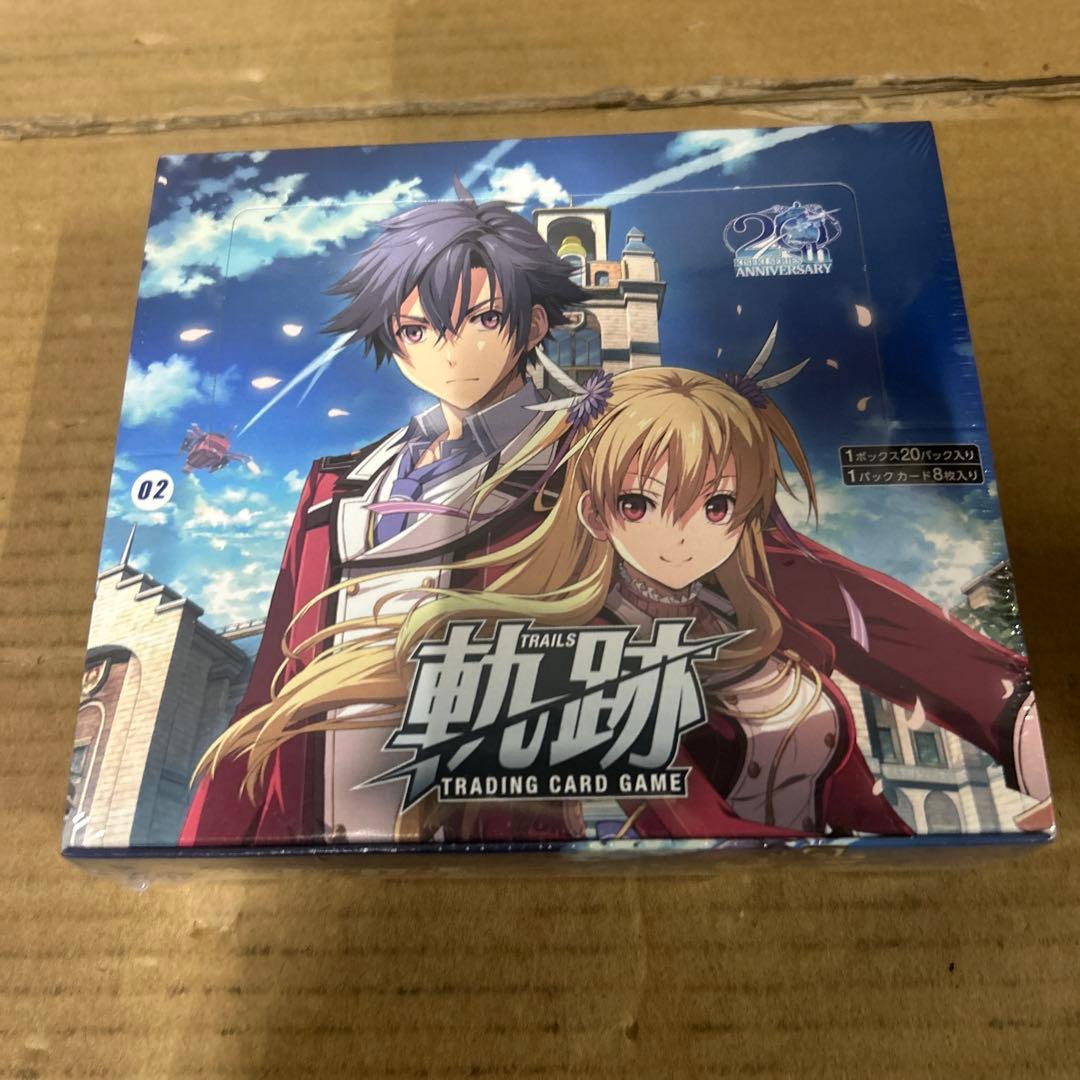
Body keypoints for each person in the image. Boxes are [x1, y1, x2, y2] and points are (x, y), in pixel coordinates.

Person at [192, 357, 1051, 842]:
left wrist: (1010, 709)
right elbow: (672, 815)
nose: (681, 534)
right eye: (639, 504)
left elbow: (845, 602)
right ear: (598, 510)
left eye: (719, 505)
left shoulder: (746, 574)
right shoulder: (576, 630)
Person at [180, 181, 589, 846]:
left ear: (534, 325)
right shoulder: (333, 486)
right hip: (310, 832)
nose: (448, 351)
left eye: (484, 319)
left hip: (493, 835)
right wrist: (214, 845)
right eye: (417, 330)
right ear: (394, 342)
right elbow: (272, 690)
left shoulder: (591, 464)